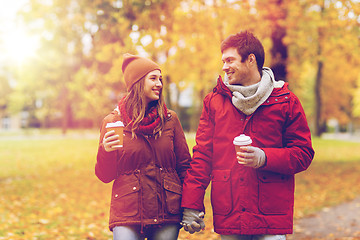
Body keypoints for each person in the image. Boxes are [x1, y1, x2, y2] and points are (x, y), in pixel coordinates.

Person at [180, 31, 315, 240]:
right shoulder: (214, 102)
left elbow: (303, 153)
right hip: (230, 215)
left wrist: (265, 158)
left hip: (271, 217)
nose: (224, 66)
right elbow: (203, 156)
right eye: (223, 61)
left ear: (251, 59)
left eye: (230, 60)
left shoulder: (286, 101)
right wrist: (191, 204)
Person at [95, 53, 191, 240]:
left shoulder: (170, 120)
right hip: (127, 212)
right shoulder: (113, 122)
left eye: (160, 79)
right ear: (137, 82)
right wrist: (105, 152)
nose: (159, 84)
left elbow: (185, 166)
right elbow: (105, 176)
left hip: (167, 210)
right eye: (153, 78)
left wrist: (192, 207)